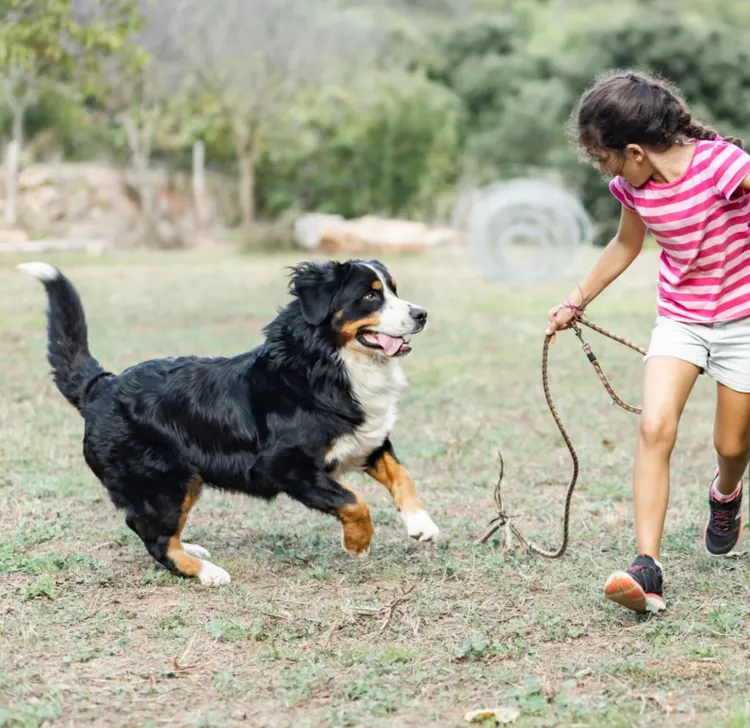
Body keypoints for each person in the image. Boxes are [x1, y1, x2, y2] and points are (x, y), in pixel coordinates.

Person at [546, 70, 750, 614]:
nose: (603, 169)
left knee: (732, 446)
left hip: (743, 322)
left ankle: (725, 495)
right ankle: (647, 564)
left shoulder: (723, 167)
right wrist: (576, 299)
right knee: (654, 425)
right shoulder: (633, 190)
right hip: (681, 320)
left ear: (634, 151)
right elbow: (624, 245)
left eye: (603, 157)